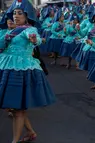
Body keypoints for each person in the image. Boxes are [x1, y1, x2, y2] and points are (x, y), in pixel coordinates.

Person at [0, 0, 56, 142]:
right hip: (6, 68)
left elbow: (36, 39)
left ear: (27, 16)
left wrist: (34, 40)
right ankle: (31, 132)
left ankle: (15, 141)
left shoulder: (29, 29)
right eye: (14, 13)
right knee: (13, 108)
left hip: (21, 71)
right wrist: (7, 34)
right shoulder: (8, 30)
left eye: (20, 13)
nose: (16, 16)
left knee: (18, 109)